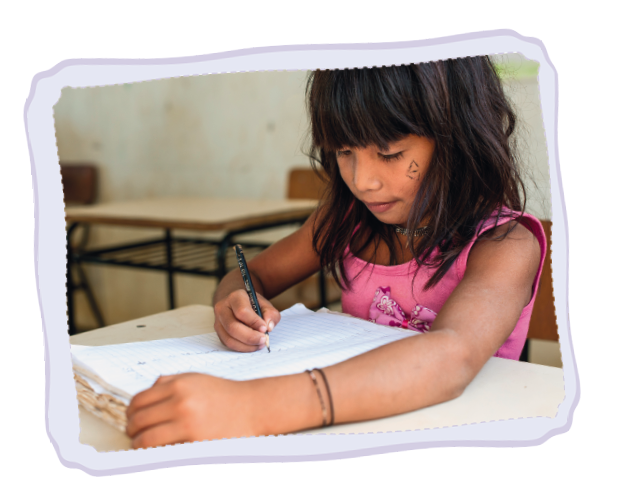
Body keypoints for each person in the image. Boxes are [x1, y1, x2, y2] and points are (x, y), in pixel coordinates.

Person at [125, 57, 546, 449]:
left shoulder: (504, 244)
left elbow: (452, 356)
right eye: (345, 152)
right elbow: (250, 275)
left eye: (390, 153)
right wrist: (232, 304)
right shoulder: (346, 222)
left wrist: (252, 406)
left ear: (459, 136)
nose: (363, 182)